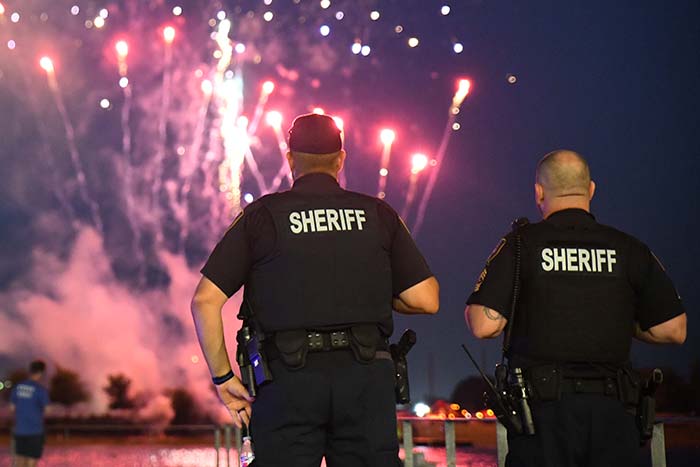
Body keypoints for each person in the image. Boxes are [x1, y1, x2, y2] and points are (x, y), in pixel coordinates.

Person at [191, 113, 439, 466]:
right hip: (366, 379)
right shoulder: (379, 214)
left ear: (290, 159)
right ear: (341, 159)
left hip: (288, 381)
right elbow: (426, 299)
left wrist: (223, 377)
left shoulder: (262, 216)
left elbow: (205, 300)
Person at [464, 150, 686, 467]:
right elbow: (674, 329)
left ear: (539, 192)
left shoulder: (520, 244)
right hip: (615, 415)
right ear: (591, 189)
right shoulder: (630, 248)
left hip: (542, 420)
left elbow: (483, 325)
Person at [10, 360, 50, 467]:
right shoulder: (41, 390)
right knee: (31, 462)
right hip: (35, 432)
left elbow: (12, 408)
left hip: (20, 431)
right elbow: (47, 410)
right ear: (41, 373)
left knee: (19, 462)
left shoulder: (18, 387)